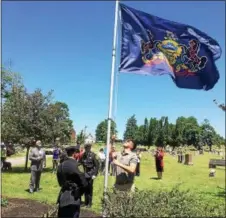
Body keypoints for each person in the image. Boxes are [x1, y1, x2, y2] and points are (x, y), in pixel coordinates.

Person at [57, 146, 88, 218]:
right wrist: (80, 192)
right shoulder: (77, 165)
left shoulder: (61, 165)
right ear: (74, 154)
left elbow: (60, 182)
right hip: (73, 198)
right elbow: (84, 183)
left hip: (62, 196)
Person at [79, 143, 99, 208]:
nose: (87, 149)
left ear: (90, 148)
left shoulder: (93, 155)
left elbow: (97, 165)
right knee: (85, 188)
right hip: (85, 174)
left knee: (89, 189)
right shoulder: (83, 155)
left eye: (88, 148)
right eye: (86, 148)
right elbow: (80, 163)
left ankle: (89, 203)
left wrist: (95, 174)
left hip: (91, 174)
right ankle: (85, 202)